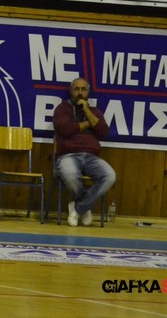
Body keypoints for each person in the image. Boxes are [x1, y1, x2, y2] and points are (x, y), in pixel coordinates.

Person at [53, 76, 116, 227]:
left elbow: (103, 131)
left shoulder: (94, 111)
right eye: (76, 89)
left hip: (91, 157)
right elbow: (64, 129)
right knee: (70, 175)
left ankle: (78, 208)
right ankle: (85, 208)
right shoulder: (62, 109)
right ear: (71, 91)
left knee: (109, 176)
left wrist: (87, 110)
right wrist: (89, 124)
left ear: (88, 92)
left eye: (83, 89)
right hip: (68, 155)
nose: (80, 93)